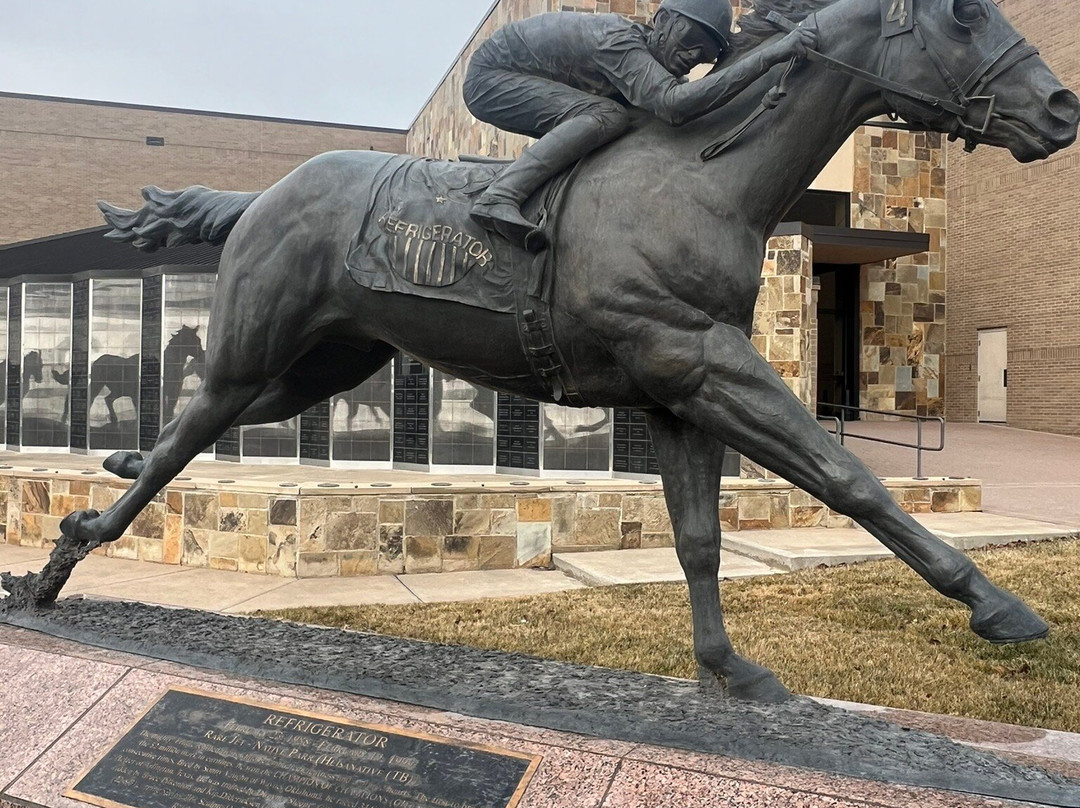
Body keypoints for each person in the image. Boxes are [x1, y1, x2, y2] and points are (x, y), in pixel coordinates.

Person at [464, 0, 817, 251]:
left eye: (705, 55)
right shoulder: (620, 42)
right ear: (663, 21)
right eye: (691, 41)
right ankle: (500, 196)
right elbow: (674, 105)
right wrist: (773, 53)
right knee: (607, 117)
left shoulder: (642, 62)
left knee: (625, 121)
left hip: (525, 77)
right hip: (493, 77)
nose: (693, 57)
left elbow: (684, 103)